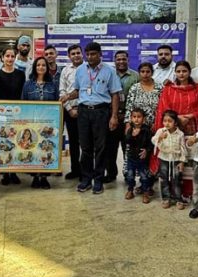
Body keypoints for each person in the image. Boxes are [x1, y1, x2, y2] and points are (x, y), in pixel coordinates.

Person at [62, 41, 122, 194]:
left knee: (101, 148)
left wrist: (114, 116)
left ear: (100, 54)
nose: (90, 57)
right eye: (87, 54)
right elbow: (77, 90)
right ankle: (86, 179)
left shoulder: (109, 70)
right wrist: (67, 97)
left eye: (93, 54)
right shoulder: (81, 70)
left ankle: (98, 180)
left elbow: (115, 94)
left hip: (101, 112)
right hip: (83, 112)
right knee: (85, 147)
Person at [22, 56, 58, 189]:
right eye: (38, 65)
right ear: (34, 67)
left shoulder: (52, 84)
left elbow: (56, 104)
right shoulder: (28, 84)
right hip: (32, 122)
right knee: (34, 148)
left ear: (47, 68)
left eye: (43, 65)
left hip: (48, 123)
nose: (41, 67)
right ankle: (35, 177)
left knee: (46, 148)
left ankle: (44, 177)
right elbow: (23, 102)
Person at [0, 46, 25, 186]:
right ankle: (5, 171)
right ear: (3, 57)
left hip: (17, 113)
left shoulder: (20, 74)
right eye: (7, 56)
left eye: (12, 56)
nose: (10, 59)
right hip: (2, 114)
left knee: (16, 142)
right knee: (4, 142)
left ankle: (14, 171)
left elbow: (22, 95)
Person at [105, 50, 139, 183]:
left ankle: (128, 174)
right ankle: (111, 174)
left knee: (128, 148)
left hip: (129, 117)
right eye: (118, 59)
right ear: (114, 61)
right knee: (110, 148)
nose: (121, 61)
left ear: (128, 60)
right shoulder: (109, 75)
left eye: (123, 59)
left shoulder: (136, 76)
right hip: (111, 116)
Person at [154, 60, 198, 136]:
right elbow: (164, 107)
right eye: (178, 71)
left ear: (189, 72)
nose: (181, 74)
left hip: (192, 126)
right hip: (172, 126)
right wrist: (178, 118)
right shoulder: (169, 89)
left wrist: (188, 117)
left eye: (184, 71)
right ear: (175, 73)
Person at [152, 109, 187, 209]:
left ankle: (178, 199)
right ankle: (166, 198)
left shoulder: (180, 134)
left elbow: (183, 148)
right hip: (164, 159)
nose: (166, 123)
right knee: (164, 179)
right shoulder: (160, 131)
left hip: (175, 159)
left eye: (170, 121)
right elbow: (153, 140)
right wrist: (160, 138)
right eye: (165, 121)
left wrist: (182, 161)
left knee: (177, 180)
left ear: (175, 122)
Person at [58, 44, 83, 180]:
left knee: (86, 143)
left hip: (85, 110)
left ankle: (85, 170)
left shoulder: (88, 69)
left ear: (82, 54)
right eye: (73, 54)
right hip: (70, 111)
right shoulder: (65, 71)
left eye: (78, 53)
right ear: (69, 56)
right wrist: (69, 109)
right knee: (73, 142)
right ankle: (75, 170)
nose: (76, 55)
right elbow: (62, 91)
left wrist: (80, 108)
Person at [124, 107, 153, 203]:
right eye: (134, 117)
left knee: (144, 176)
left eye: (139, 117)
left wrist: (146, 151)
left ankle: (145, 192)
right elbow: (127, 141)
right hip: (132, 157)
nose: (136, 119)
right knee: (130, 175)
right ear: (131, 118)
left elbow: (151, 144)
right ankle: (130, 190)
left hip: (142, 159)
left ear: (143, 119)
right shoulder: (130, 129)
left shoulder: (147, 130)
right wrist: (133, 135)